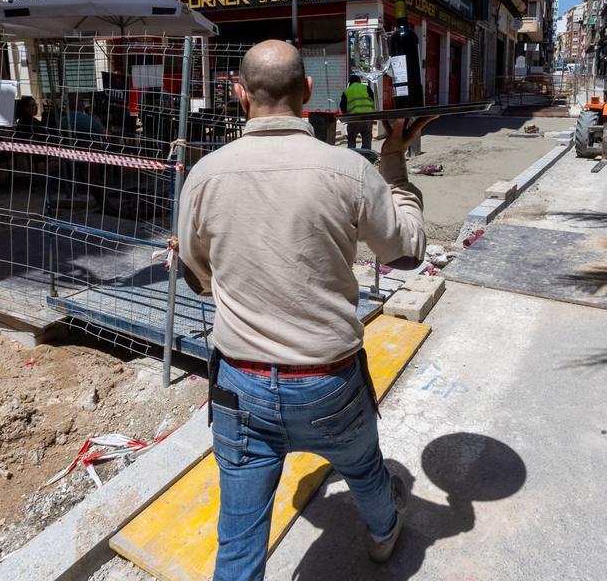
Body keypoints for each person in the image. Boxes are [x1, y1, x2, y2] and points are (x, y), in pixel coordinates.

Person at [177, 40, 432, 579]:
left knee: (239, 539)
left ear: (240, 94)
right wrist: (394, 164)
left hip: (239, 384)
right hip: (329, 381)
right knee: (365, 468)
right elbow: (406, 252)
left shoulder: (204, 175)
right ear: (309, 92)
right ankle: (384, 534)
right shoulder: (349, 170)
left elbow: (196, 277)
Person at [340, 73, 376, 150]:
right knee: (367, 137)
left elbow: (342, 106)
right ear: (359, 81)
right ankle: (366, 155)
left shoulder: (346, 91)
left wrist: (346, 117)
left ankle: (351, 155)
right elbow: (374, 100)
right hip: (367, 118)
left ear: (350, 83)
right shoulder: (366, 88)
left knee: (351, 138)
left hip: (353, 119)